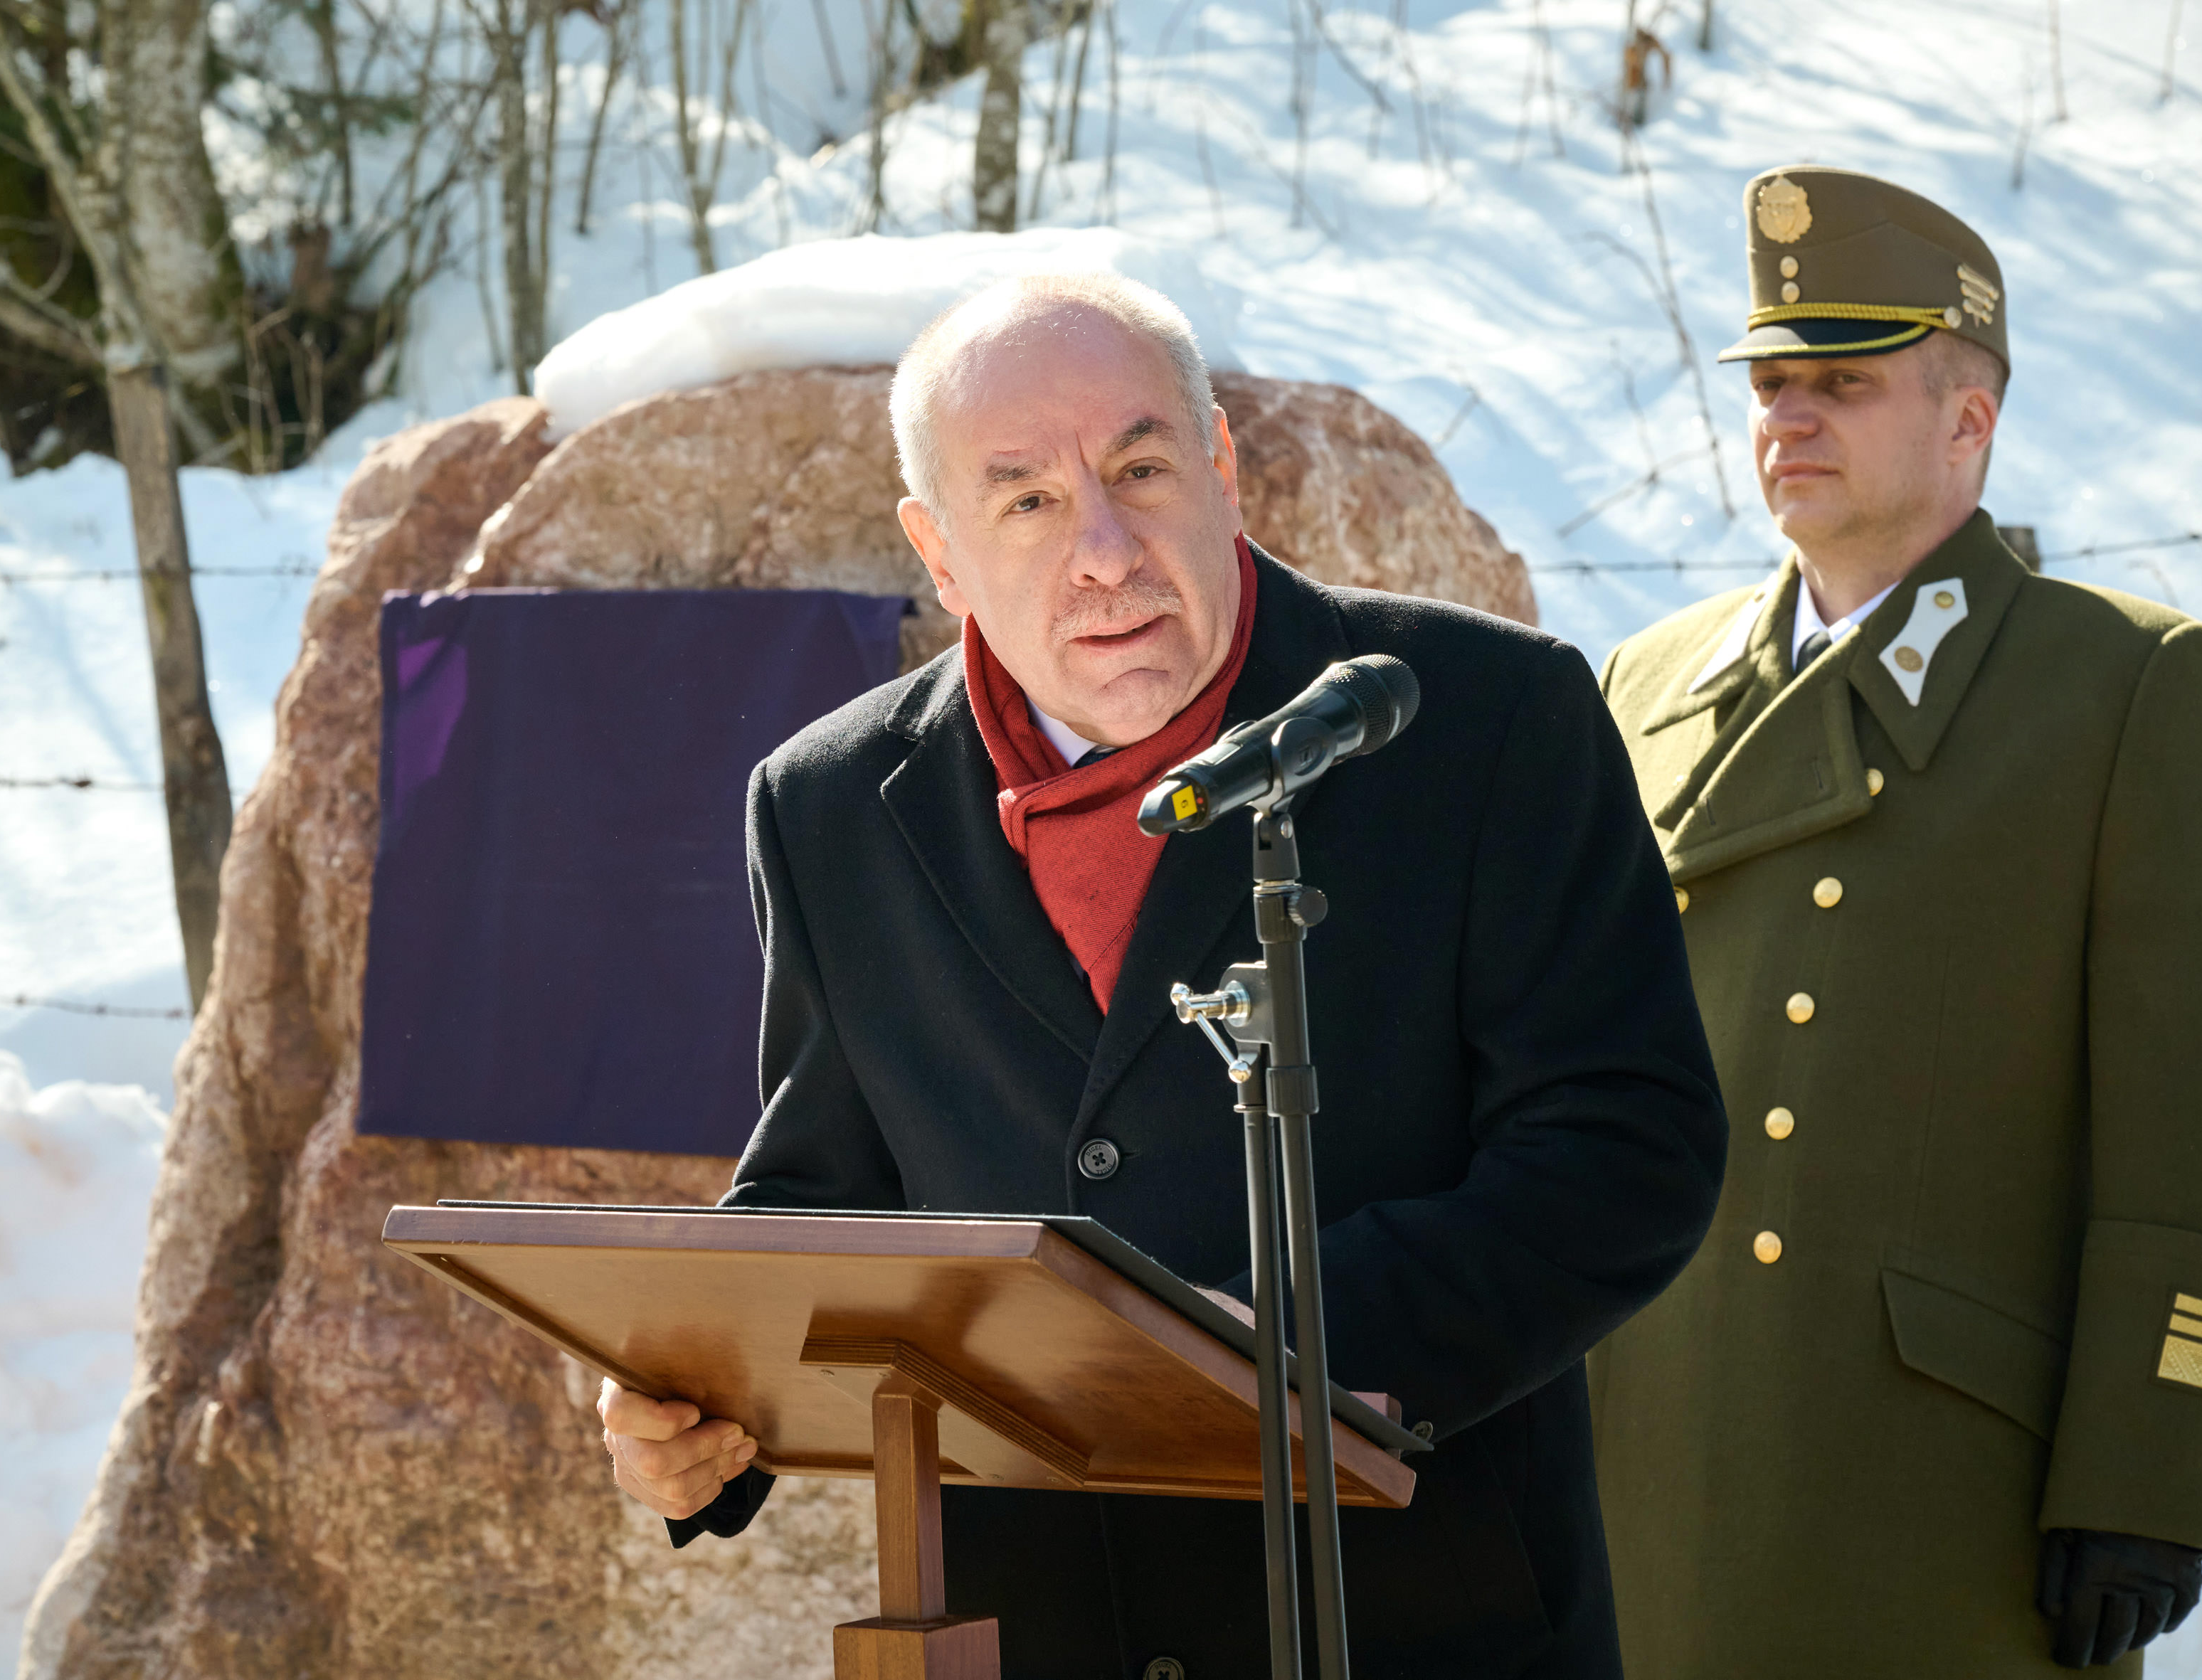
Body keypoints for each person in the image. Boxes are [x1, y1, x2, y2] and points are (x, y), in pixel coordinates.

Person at [596, 271, 1727, 1678]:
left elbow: (1627, 1148)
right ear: (938, 551)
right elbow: (827, 1186)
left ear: (1220, 465)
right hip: (1037, 1630)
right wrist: (699, 1409)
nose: (1104, 551)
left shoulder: (1484, 716)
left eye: (1138, 471)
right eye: (1026, 500)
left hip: (1420, 1616)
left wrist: (1282, 1344)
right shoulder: (828, 803)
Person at [1590, 166, 2202, 1678]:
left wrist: (2150, 1470)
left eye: (1840, 383)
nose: (1785, 418)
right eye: (1769, 384)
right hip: (1636, 1440)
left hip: (1936, 1487)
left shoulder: (2125, 687)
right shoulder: (1645, 681)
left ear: (1967, 420)